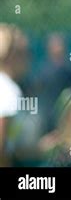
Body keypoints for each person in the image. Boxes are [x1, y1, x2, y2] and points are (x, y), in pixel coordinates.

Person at [0, 24, 30, 166]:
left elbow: (9, 148)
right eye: (24, 52)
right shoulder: (8, 90)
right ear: (11, 55)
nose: (28, 58)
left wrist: (39, 149)